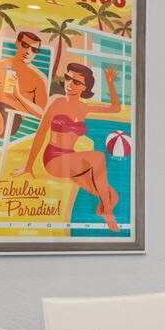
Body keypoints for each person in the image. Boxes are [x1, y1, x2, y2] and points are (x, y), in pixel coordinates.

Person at [18, 61, 127, 232]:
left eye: (76, 82)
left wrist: (111, 83)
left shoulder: (84, 107)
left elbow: (115, 108)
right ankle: (107, 212)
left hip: (71, 160)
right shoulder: (56, 101)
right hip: (54, 160)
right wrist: (28, 165)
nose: (69, 84)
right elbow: (40, 133)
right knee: (98, 157)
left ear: (85, 87)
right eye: (68, 78)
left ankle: (101, 216)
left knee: (113, 196)